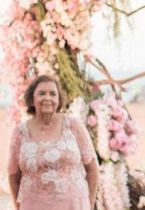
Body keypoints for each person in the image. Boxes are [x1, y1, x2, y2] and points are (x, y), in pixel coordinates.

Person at [7, 75, 99, 210]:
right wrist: (18, 206)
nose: (47, 98)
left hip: (73, 205)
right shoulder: (20, 132)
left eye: (52, 94)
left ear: (58, 100)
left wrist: (89, 204)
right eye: (41, 93)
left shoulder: (73, 125)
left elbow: (92, 170)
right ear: (32, 100)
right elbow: (13, 176)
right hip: (33, 205)